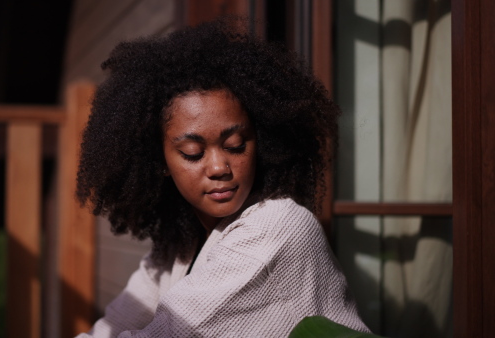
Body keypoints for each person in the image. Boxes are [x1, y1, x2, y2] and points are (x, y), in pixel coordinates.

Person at [75, 18, 369, 337]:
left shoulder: (279, 227)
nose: (219, 167)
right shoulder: (176, 249)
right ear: (158, 160)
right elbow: (110, 328)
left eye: (235, 145)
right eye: (192, 152)